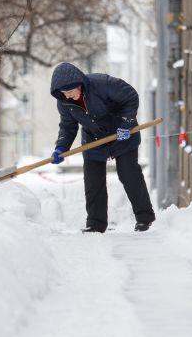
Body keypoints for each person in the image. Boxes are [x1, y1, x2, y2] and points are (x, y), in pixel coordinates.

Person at [49, 62, 155, 233]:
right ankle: (95, 224)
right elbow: (68, 127)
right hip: (93, 139)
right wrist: (61, 148)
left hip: (121, 134)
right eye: (64, 94)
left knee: (129, 174)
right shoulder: (64, 102)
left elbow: (130, 96)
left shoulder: (102, 84)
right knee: (93, 181)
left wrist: (126, 124)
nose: (68, 97)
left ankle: (145, 218)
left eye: (70, 92)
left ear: (79, 85)